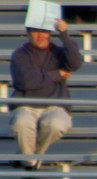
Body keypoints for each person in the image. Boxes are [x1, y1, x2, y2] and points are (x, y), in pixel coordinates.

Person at [9, 17, 83, 170]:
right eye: (36, 32)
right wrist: (56, 74)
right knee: (21, 121)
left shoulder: (58, 52)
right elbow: (25, 82)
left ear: (50, 34)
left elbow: (76, 63)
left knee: (56, 124)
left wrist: (64, 34)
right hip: (26, 105)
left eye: (44, 32)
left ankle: (28, 157)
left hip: (56, 105)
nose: (41, 36)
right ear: (28, 33)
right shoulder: (20, 55)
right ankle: (31, 162)